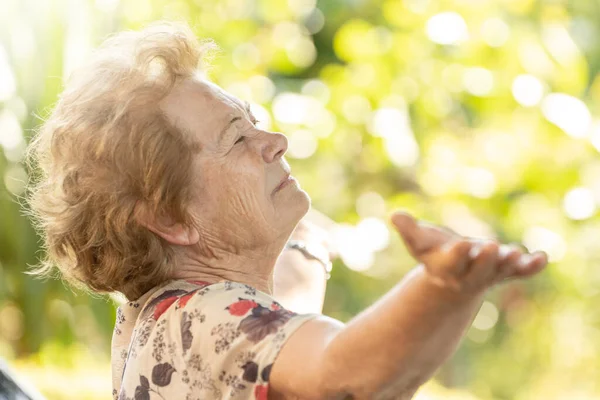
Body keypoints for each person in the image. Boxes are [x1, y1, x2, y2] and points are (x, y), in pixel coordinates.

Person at [25, 21, 548, 400]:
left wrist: (307, 248)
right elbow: (348, 379)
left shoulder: (159, 316)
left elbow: (286, 306)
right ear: (170, 219)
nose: (276, 141)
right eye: (236, 139)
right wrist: (445, 287)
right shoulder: (200, 320)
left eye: (255, 122)